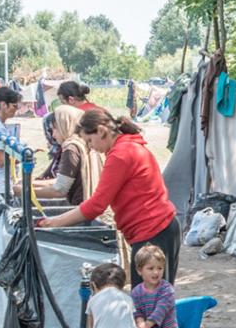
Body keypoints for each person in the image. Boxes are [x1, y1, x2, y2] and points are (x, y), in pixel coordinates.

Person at [38, 107, 182, 286]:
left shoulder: (121, 154)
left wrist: (55, 222)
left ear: (101, 131)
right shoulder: (127, 146)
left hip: (153, 230)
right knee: (152, 298)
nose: (91, 148)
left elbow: (97, 205)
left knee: (150, 300)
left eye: (90, 141)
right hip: (158, 228)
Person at [31, 105, 95, 204]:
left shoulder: (71, 149)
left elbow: (60, 189)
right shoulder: (83, 143)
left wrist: (26, 190)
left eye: (55, 129)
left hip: (77, 208)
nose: (53, 135)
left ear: (65, 125)